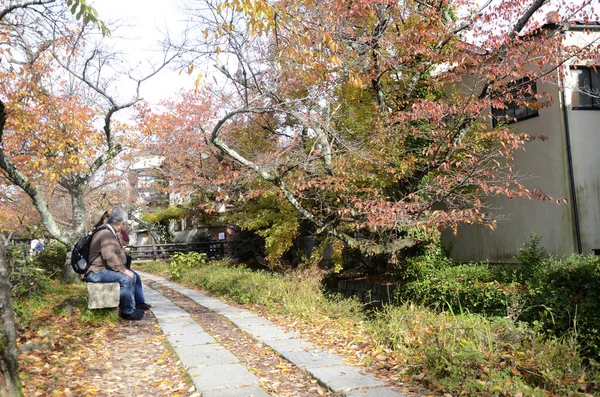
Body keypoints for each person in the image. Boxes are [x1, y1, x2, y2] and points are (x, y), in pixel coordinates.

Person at [85, 207, 144, 320]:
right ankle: (127, 312)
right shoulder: (105, 233)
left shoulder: (108, 232)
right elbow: (110, 256)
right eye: (124, 224)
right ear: (121, 224)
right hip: (96, 272)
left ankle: (133, 306)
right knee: (126, 279)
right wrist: (124, 270)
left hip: (101, 269)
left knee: (132, 276)